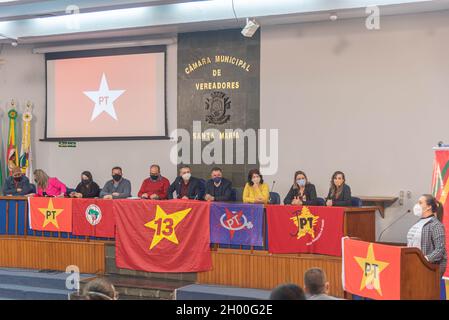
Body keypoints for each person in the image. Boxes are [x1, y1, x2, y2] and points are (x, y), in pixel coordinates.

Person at [407, 194, 447, 277]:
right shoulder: (418, 223)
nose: (417, 205)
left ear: (429, 207)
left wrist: (424, 260)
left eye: (420, 203)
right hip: (414, 265)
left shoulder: (436, 225)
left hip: (429, 268)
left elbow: (440, 250)